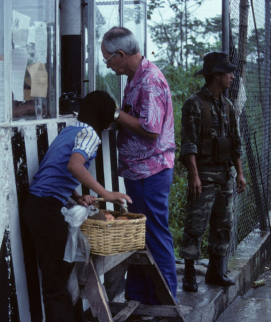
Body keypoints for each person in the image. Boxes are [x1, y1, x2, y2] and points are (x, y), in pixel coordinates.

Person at [22, 90, 132, 321]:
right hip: (47, 210)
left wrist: (75, 196)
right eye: (111, 114)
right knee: (56, 285)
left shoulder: (70, 130)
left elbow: (55, 168)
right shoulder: (90, 134)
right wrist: (106, 193)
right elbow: (74, 166)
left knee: (57, 280)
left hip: (37, 206)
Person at [101, 26, 177, 304]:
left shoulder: (149, 81)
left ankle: (167, 301)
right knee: (139, 237)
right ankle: (140, 297)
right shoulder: (135, 79)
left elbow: (151, 128)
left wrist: (115, 113)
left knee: (155, 236)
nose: (108, 66)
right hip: (139, 171)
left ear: (121, 54)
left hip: (151, 172)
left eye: (108, 60)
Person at [179, 51, 246, 292]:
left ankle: (215, 272)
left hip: (224, 176)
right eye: (228, 72)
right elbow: (188, 144)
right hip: (204, 177)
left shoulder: (227, 106)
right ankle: (188, 274)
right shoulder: (194, 104)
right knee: (195, 225)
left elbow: (235, 143)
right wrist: (194, 176)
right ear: (216, 75)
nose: (231, 76)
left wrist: (239, 173)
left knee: (223, 225)